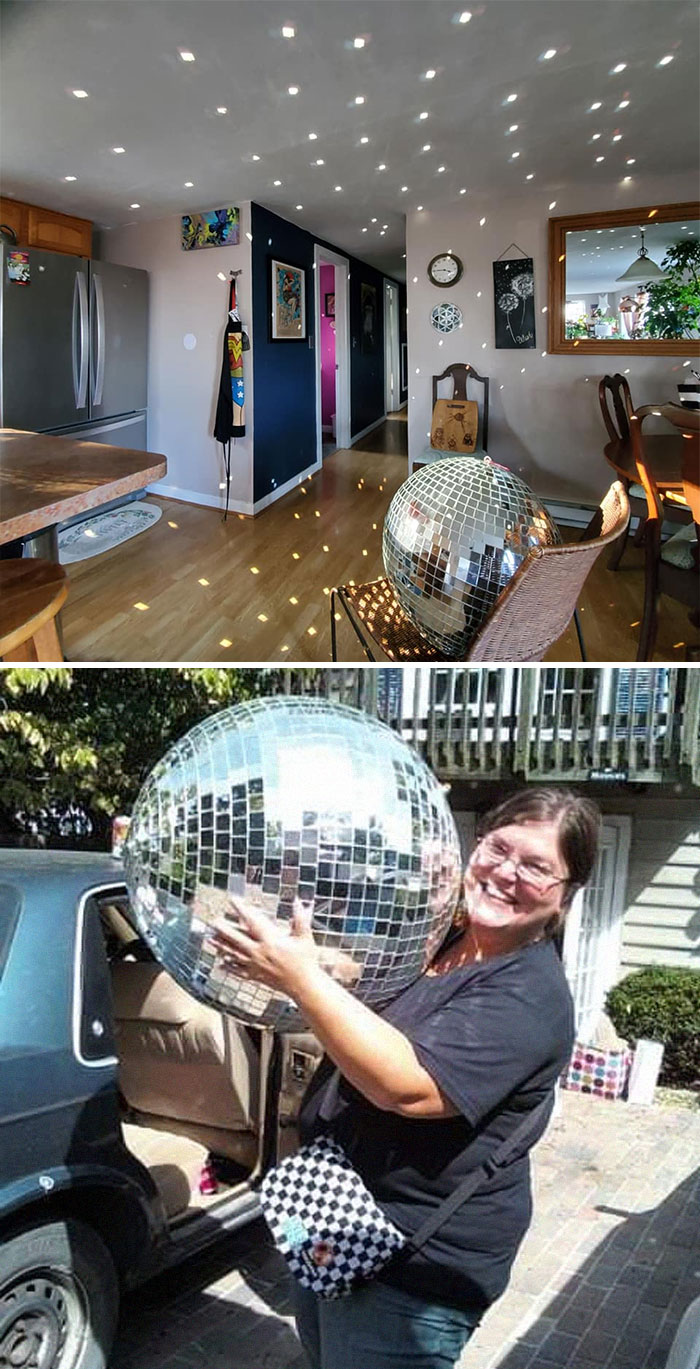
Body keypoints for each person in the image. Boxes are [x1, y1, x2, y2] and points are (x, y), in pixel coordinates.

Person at [210, 787, 601, 1369]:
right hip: (332, 1212)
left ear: (565, 896)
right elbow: (370, 986)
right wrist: (304, 962)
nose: (506, 872)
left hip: (414, 1267)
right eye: (499, 848)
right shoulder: (451, 939)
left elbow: (406, 1087)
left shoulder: (530, 996)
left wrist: (298, 978)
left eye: (537, 867)